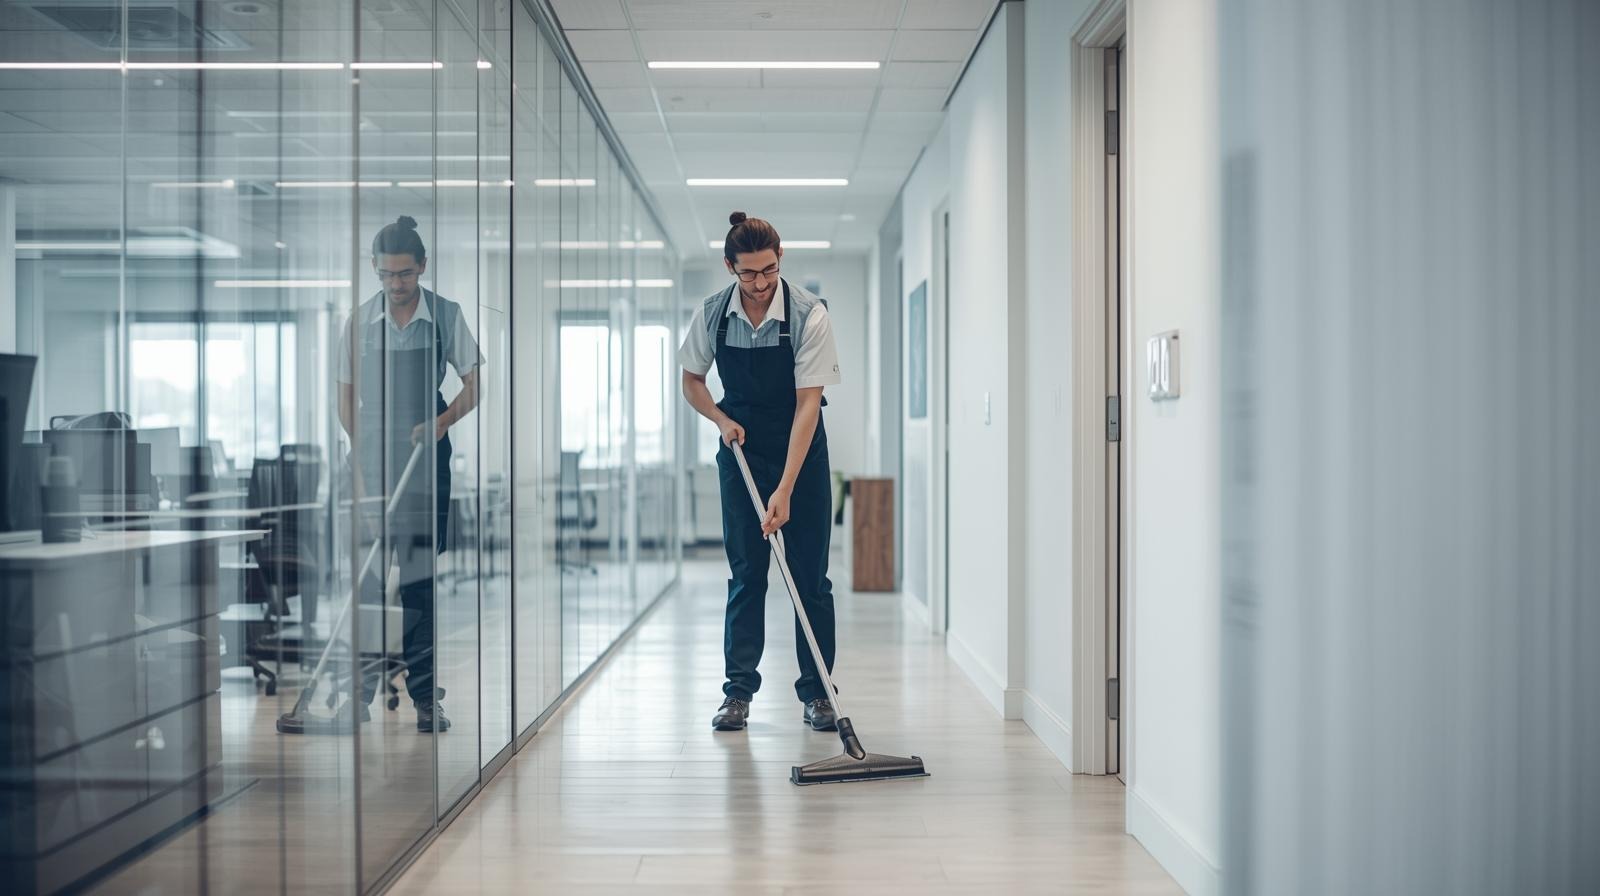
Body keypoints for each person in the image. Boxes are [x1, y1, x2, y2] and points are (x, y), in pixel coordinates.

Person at [679, 211, 843, 732]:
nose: (759, 282)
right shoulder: (712, 315)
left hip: (801, 452)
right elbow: (692, 381)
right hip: (742, 449)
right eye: (747, 273)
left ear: (780, 260)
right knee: (747, 575)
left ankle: (818, 693)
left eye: (768, 270)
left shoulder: (808, 313)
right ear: (730, 266)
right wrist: (721, 419)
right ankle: (737, 694)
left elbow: (808, 404)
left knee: (808, 579)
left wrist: (787, 488)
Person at [336, 215, 482, 732]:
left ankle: (425, 698)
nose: (395, 284)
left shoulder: (445, 315)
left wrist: (441, 424)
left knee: (418, 582)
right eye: (385, 275)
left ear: (422, 267)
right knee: (370, 580)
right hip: (375, 459)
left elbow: (474, 385)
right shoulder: (359, 320)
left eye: (403, 274)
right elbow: (346, 399)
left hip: (426, 457)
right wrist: (362, 460)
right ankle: (357, 693)